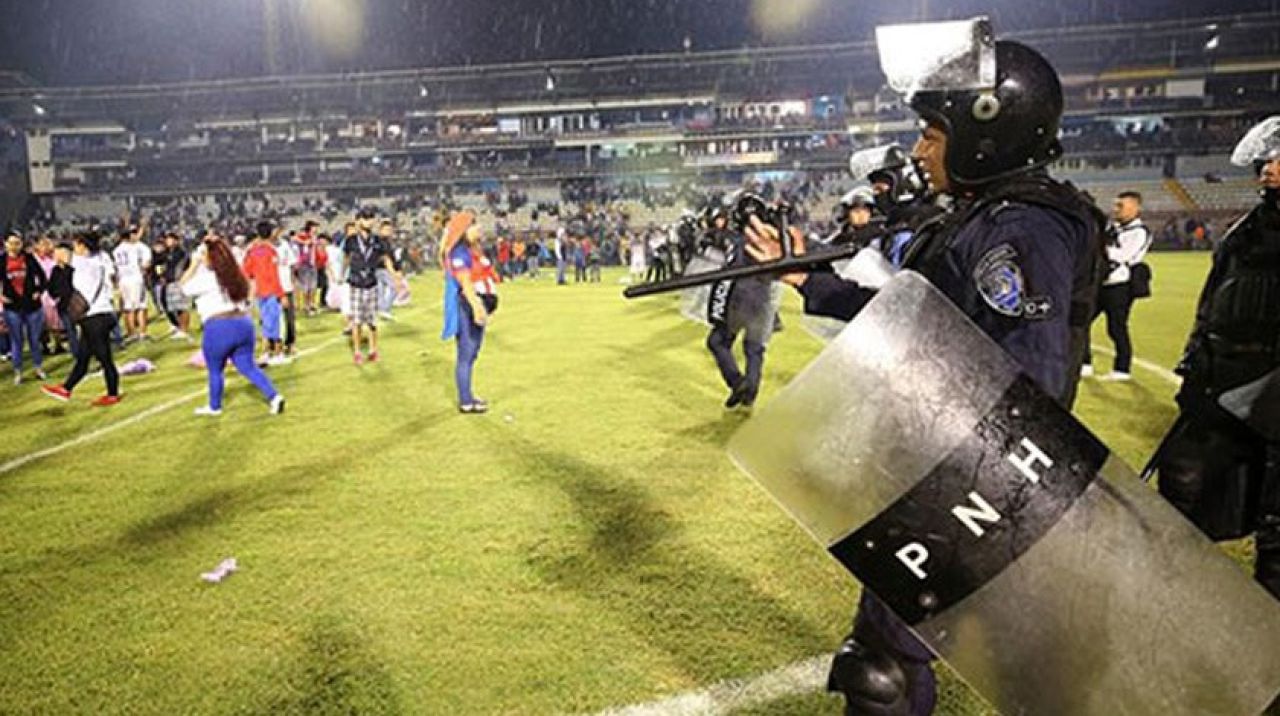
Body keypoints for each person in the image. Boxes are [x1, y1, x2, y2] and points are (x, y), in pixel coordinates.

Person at [745, 32, 1102, 715]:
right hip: (959, 471)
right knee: (907, 655)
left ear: (984, 136)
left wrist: (961, 497)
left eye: (933, 133)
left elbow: (1030, 378)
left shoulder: (1020, 230)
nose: (918, 150)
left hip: (974, 482)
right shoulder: (985, 218)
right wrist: (809, 279)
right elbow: (918, 312)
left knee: (884, 665)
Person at [1154, 116, 1280, 601]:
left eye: (1276, 161)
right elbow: (1211, 307)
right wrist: (1195, 364)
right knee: (1184, 488)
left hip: (1273, 394)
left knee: (1276, 528)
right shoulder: (1245, 233)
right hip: (1225, 383)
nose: (1267, 168)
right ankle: (1179, 603)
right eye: (1265, 161)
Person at [180, 236, 285, 417]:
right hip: (243, 324)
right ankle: (274, 396)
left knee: (215, 370)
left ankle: (215, 407)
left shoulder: (207, 278)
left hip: (219, 326)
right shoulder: (235, 274)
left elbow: (182, 286)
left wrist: (194, 263)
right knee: (248, 366)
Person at [40, 232, 122, 406]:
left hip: (95, 317)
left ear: (82, 246)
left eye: (75, 245)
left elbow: (65, 255)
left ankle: (113, 394)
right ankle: (66, 388)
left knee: (105, 358)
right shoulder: (96, 261)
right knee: (84, 357)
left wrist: (50, 248)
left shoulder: (84, 263)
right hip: (98, 315)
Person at [1082, 191, 1152, 381]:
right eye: (1116, 205)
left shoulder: (1140, 232)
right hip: (1101, 284)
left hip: (1119, 286)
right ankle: (1085, 363)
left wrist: (1099, 248)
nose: (1116, 210)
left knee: (1117, 328)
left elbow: (1122, 256)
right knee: (1082, 323)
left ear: (1135, 208)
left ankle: (1122, 369)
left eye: (1121, 206)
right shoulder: (1114, 228)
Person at [441, 211, 498, 414]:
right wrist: (477, 307)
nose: (479, 229)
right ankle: (466, 400)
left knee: (472, 353)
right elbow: (465, 283)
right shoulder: (459, 253)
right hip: (467, 306)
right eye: (474, 226)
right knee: (466, 354)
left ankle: (468, 396)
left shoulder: (472, 250)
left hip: (475, 304)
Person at [345, 209, 402, 364]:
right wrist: (343, 276)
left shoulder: (377, 241)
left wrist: (395, 276)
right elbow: (347, 257)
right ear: (358, 221)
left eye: (371, 219)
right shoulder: (351, 240)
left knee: (372, 321)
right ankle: (357, 352)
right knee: (356, 321)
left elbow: (385, 259)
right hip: (356, 283)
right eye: (365, 218)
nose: (369, 221)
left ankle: (373, 350)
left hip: (371, 283)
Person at [2, 234, 48, 384]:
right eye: (12, 243)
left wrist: (38, 291)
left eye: (18, 243)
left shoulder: (29, 258)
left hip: (32, 305)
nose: (15, 246)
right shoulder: (2, 260)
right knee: (17, 341)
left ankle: (38, 368)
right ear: (6, 244)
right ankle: (18, 372)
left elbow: (42, 276)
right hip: (12, 306)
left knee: (34, 339)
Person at [112, 221, 152, 343]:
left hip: (123, 279)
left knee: (127, 308)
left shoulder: (116, 250)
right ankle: (142, 333)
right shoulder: (137, 247)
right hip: (135, 278)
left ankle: (131, 333)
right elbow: (146, 264)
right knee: (141, 307)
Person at [46, 243, 80, 359]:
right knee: (70, 330)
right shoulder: (55, 271)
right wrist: (56, 297)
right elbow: (50, 287)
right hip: (63, 305)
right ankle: (76, 352)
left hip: (76, 303)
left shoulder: (73, 269)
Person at [157, 232, 192, 340]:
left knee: (182, 306)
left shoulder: (181, 252)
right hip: (169, 282)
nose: (168, 241)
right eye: (167, 239)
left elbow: (184, 266)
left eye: (170, 239)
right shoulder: (167, 252)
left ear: (176, 241)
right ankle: (179, 327)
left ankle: (184, 329)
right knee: (173, 306)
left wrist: (181, 278)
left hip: (178, 281)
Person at [274, 229, 298, 358]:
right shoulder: (265, 247)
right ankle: (275, 345)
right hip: (271, 288)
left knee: (289, 317)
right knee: (273, 319)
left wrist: (293, 282)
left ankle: (291, 342)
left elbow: (292, 264)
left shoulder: (284, 245)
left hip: (286, 285)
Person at [293, 221, 320, 315]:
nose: (316, 229)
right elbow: (294, 239)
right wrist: (305, 242)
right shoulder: (303, 235)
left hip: (313, 264)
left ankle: (311, 304)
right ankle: (306, 305)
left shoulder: (315, 237)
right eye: (314, 227)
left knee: (313, 286)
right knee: (306, 286)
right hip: (304, 264)